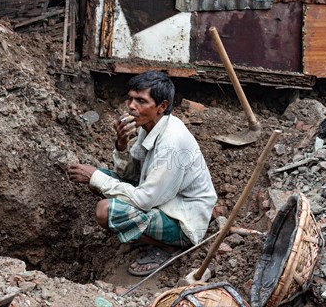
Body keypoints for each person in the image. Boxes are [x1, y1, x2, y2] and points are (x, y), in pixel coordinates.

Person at [68, 71, 217, 276]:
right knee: (97, 181)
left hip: (183, 220)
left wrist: (96, 177)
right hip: (162, 199)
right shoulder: (149, 126)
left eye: (140, 101)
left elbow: (145, 199)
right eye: (130, 98)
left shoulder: (172, 142)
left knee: (104, 210)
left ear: (161, 107)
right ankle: (147, 235)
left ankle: (169, 246)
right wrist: (121, 146)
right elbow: (133, 174)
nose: (131, 106)